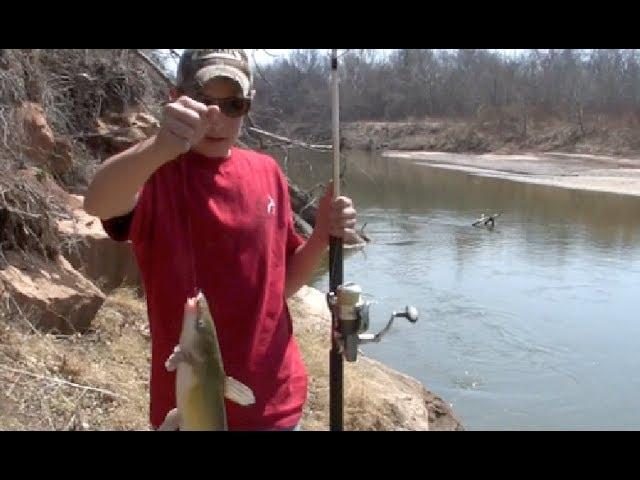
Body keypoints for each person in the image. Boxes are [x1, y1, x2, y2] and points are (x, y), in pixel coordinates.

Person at [83, 49, 357, 431]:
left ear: (248, 105)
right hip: (187, 411)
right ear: (176, 99)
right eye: (204, 102)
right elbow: (98, 201)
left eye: (232, 104)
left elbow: (278, 287)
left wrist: (323, 235)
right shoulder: (155, 172)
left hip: (274, 403)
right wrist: (162, 145)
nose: (217, 118)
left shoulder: (267, 172)